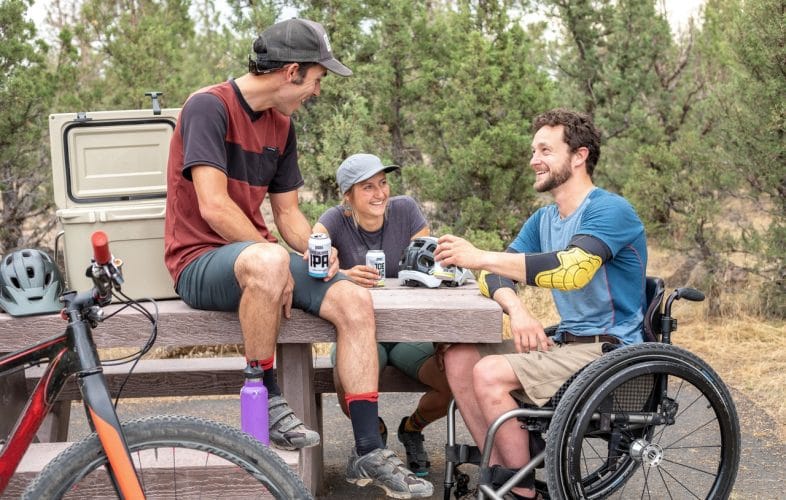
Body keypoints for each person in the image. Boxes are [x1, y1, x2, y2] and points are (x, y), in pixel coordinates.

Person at [163, 19, 432, 499]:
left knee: (352, 300)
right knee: (268, 264)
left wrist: (316, 254)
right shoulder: (209, 106)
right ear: (291, 72)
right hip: (199, 260)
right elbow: (214, 206)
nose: (317, 91)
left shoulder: (281, 126)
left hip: (257, 256)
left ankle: (369, 446)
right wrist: (274, 256)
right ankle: (265, 393)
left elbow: (287, 213)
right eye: (317, 79)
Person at [434, 109, 648, 500]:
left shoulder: (610, 210)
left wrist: (479, 255)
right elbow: (492, 276)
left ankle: (520, 493)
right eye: (534, 150)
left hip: (610, 354)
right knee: (459, 355)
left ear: (579, 156)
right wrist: (516, 309)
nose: (534, 159)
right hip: (567, 345)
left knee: (489, 373)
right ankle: (502, 475)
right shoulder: (544, 219)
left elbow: (572, 271)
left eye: (546, 150)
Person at [313, 153, 452, 477]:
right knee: (348, 386)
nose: (380, 194)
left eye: (383, 183)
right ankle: (374, 436)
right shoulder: (333, 220)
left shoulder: (406, 210)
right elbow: (311, 262)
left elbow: (429, 269)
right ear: (347, 196)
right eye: (367, 187)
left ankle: (411, 429)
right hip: (357, 334)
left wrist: (442, 336)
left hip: (407, 334)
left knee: (453, 382)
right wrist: (342, 274)